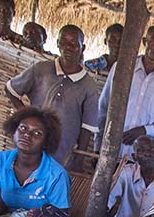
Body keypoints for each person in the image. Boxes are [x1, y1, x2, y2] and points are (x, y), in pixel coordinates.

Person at [6, 25, 100, 166]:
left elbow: (87, 128)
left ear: (83, 47)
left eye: (74, 44)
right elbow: (10, 89)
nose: (68, 47)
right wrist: (26, 115)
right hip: (30, 148)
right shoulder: (41, 69)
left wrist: (79, 160)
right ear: (57, 43)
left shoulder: (88, 85)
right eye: (64, 42)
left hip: (61, 154)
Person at [0, 107, 70, 217]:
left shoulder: (56, 175)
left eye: (37, 133)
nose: (27, 135)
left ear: (46, 142)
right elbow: (1, 201)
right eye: (23, 128)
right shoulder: (1, 160)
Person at [97, 24, 154, 158]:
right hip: (111, 152)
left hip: (145, 160)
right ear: (145, 42)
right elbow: (103, 108)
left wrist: (146, 130)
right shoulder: (122, 67)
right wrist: (97, 147)